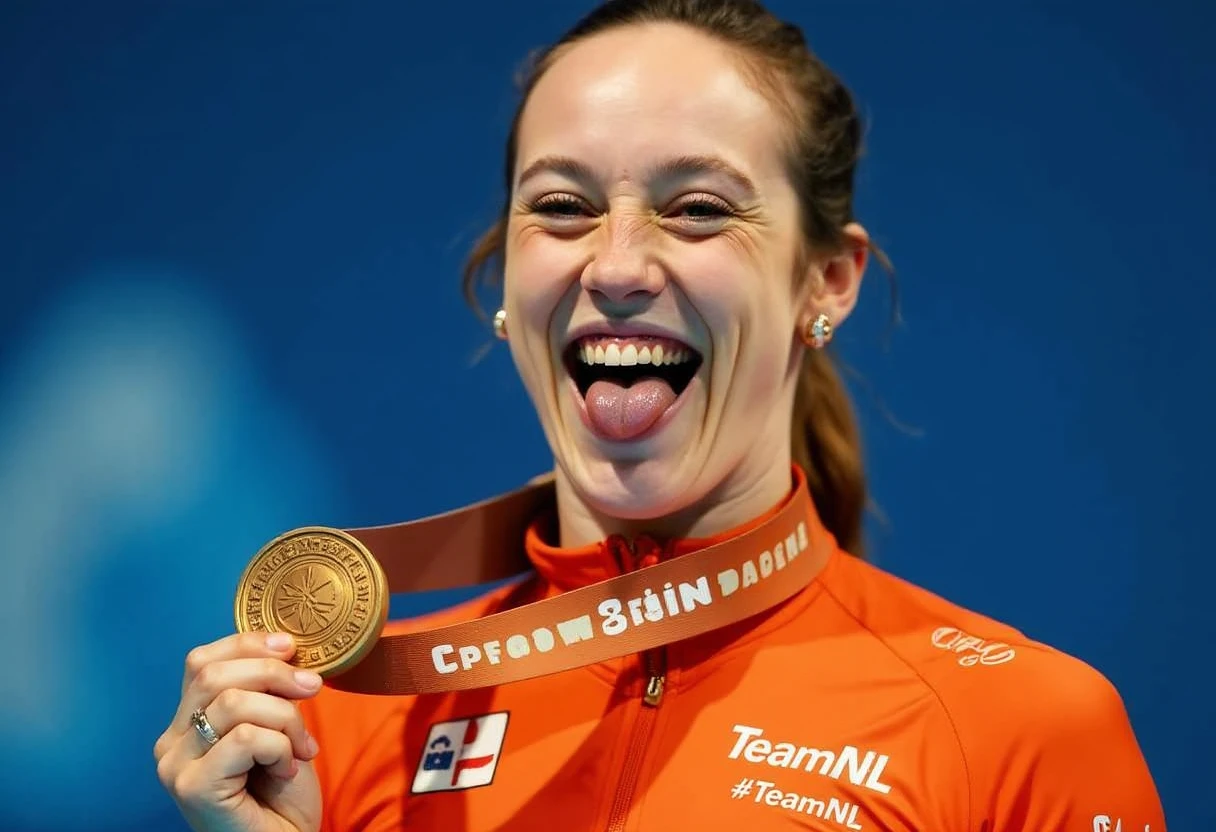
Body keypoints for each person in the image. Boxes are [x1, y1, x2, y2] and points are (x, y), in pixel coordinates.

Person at [154, 1, 1166, 829]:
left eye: (698, 209)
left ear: (825, 280)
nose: (619, 265)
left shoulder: (1017, 726)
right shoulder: (334, 730)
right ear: (506, 279)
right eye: (561, 206)